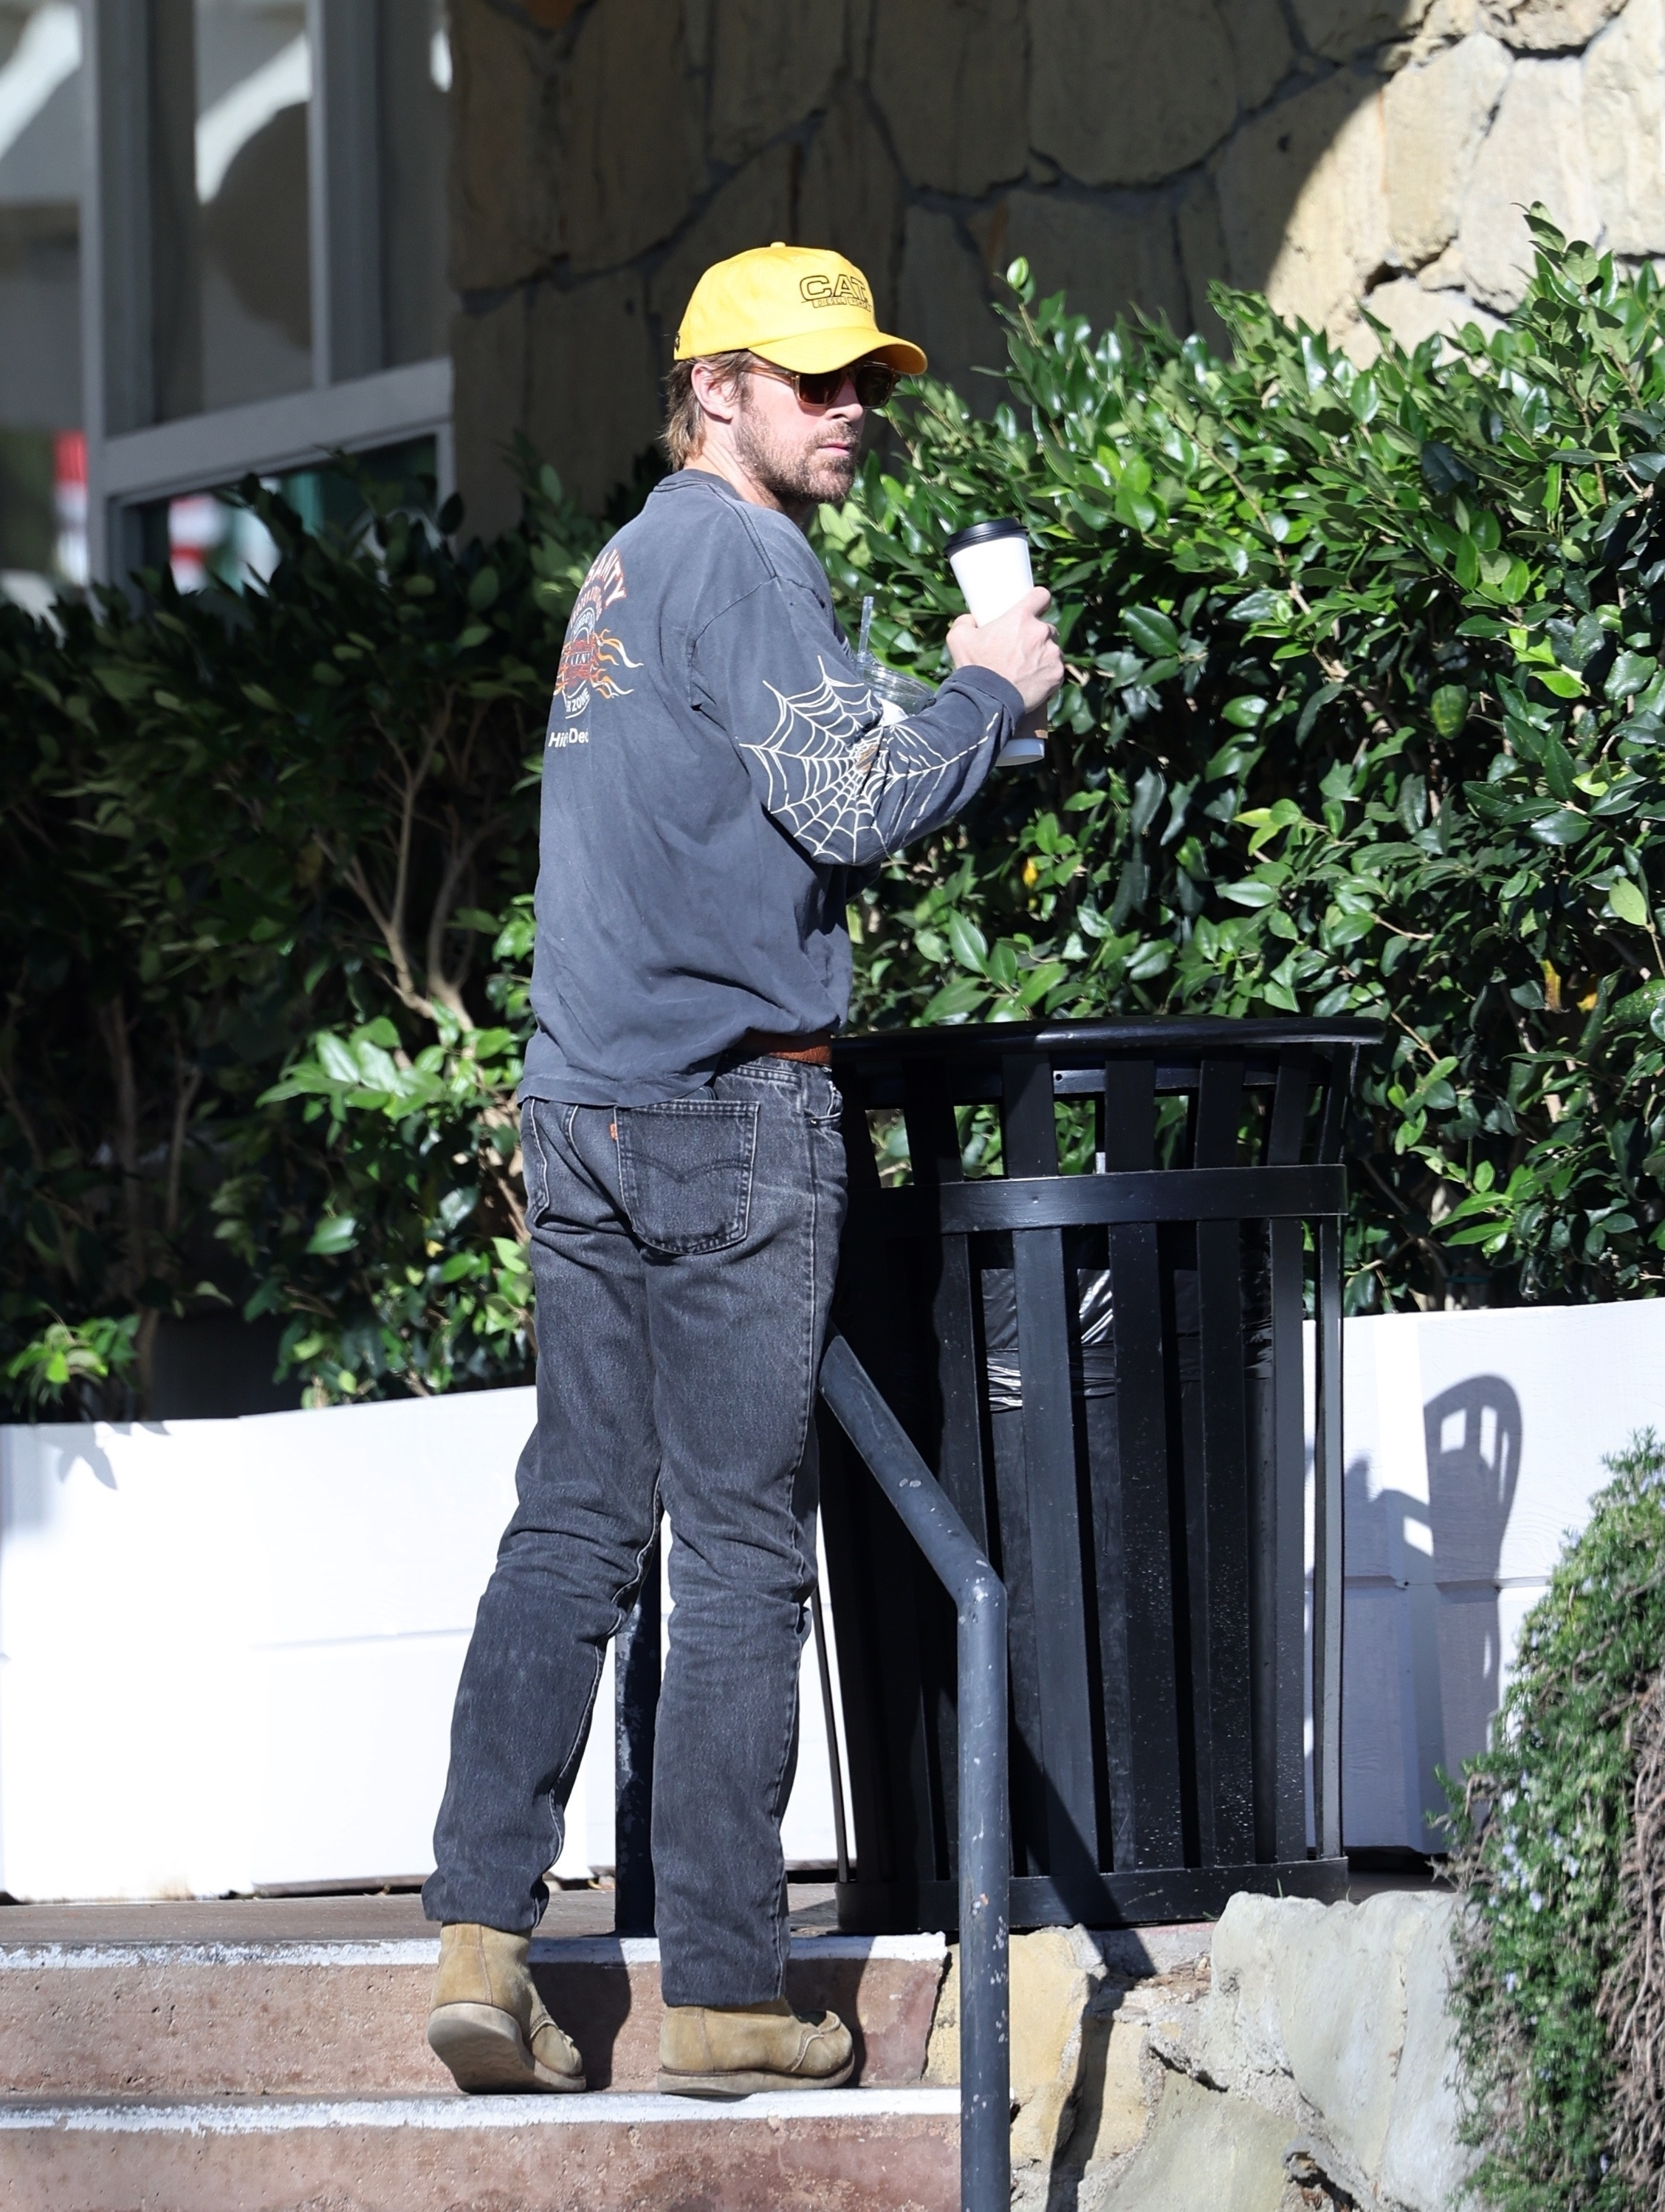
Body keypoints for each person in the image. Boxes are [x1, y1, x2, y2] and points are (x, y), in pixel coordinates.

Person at [422, 244, 1063, 2100]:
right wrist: (988, 696)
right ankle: (717, 1992)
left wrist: (937, 703)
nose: (850, 409)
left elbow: (765, 778)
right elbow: (851, 801)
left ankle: (479, 1951)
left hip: (581, 1107)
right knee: (733, 1549)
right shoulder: (751, 556)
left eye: (863, 379)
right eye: (811, 380)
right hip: (726, 1115)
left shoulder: (631, 565)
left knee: (569, 1526)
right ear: (714, 390)